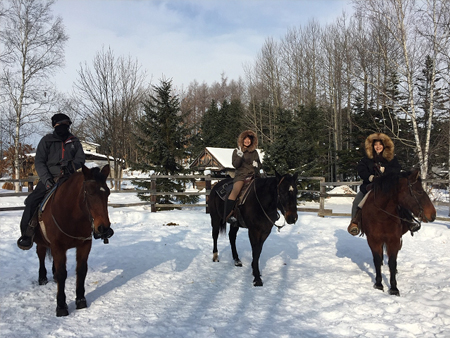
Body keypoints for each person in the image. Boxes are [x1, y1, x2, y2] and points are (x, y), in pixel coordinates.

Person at [17, 113, 86, 250]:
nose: (64, 127)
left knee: (89, 197)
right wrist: (47, 179)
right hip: (49, 177)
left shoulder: (74, 141)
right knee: (31, 201)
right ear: (55, 126)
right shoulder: (46, 141)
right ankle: (27, 234)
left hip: (69, 178)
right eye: (60, 125)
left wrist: (71, 167)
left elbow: (80, 159)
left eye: (66, 124)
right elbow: (39, 161)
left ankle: (94, 229)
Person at [347, 132, 401, 236]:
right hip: (370, 186)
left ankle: (408, 221)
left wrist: (386, 172)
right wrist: (370, 177)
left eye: (380, 145)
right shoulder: (366, 159)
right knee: (357, 202)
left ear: (384, 146)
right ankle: (355, 223)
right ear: (372, 146)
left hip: (387, 186)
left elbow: (397, 170)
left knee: (403, 199)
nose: (378, 147)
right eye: (375, 145)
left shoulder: (391, 159)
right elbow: (361, 170)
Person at [225, 130, 262, 224]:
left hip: (253, 175)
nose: (247, 141)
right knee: (235, 191)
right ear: (242, 140)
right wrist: (240, 156)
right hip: (241, 176)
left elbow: (259, 164)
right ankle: (228, 214)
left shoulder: (254, 152)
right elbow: (235, 165)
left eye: (249, 140)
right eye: (245, 139)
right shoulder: (236, 151)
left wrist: (257, 164)